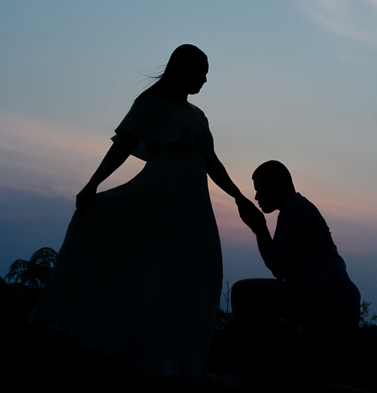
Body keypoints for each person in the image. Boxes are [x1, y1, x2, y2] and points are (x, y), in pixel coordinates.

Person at [30, 44, 257, 376]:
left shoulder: (198, 116)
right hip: (159, 195)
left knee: (199, 269)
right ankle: (150, 355)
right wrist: (93, 184)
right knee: (159, 270)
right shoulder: (150, 104)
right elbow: (122, 145)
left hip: (194, 205)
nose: (206, 80)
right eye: (201, 72)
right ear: (183, 69)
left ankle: (182, 358)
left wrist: (239, 197)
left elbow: (211, 161)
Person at [232, 161, 360, 339]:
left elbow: (275, 264)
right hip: (337, 298)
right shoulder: (295, 208)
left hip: (330, 298)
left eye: (260, 189)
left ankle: (244, 360)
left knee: (242, 291)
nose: (256, 197)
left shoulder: (294, 209)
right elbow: (281, 269)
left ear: (277, 184)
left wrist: (259, 228)